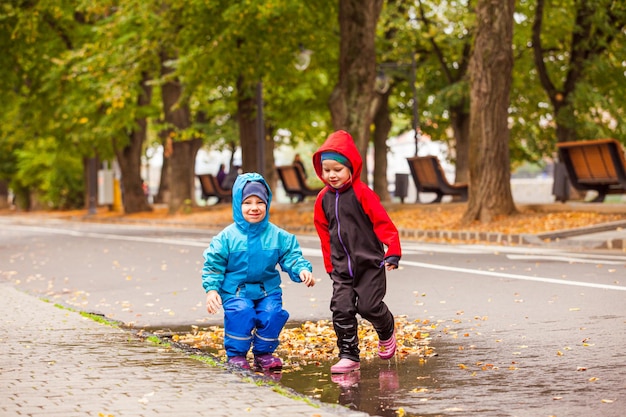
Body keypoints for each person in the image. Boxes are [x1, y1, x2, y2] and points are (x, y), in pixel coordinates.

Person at [201, 172, 316, 372]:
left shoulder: (277, 235)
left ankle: (264, 353)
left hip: (267, 290)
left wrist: (302, 269)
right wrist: (212, 290)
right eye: (247, 202)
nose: (254, 207)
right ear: (238, 204)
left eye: (259, 202)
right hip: (236, 290)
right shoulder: (226, 238)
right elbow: (213, 265)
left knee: (273, 314)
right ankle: (236, 355)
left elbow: (291, 256)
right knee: (241, 312)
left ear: (267, 203)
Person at [311, 130, 402, 374]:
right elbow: (324, 233)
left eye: (337, 169)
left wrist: (392, 250)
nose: (331, 175)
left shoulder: (363, 194)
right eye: (326, 169)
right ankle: (349, 355)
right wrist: (330, 265)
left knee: (369, 308)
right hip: (341, 268)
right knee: (341, 308)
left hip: (370, 264)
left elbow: (383, 223)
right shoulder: (322, 199)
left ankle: (386, 330)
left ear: (351, 167)